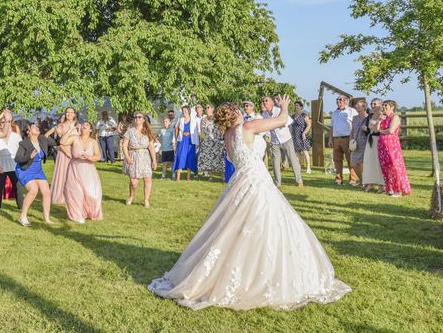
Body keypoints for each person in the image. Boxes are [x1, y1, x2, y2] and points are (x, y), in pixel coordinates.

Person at [148, 95, 351, 310]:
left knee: (235, 229)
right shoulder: (248, 127)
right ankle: (258, 274)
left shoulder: (227, 136)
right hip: (256, 182)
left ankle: (235, 269)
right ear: (235, 112)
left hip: (240, 182)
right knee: (266, 226)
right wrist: (283, 106)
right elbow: (282, 121)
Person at [14, 122, 57, 226]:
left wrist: (54, 131)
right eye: (33, 127)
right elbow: (17, 159)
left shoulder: (42, 139)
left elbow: (55, 143)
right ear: (29, 132)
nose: (36, 128)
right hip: (25, 170)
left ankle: (47, 218)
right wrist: (29, 156)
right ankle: (22, 216)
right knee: (33, 190)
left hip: (38, 171)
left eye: (36, 127)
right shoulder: (24, 143)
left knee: (47, 192)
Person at [60, 121, 103, 223]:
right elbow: (62, 142)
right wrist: (71, 129)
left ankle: (91, 212)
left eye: (87, 125)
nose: (84, 126)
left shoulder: (93, 142)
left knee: (92, 193)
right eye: (83, 125)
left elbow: (98, 156)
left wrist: (89, 157)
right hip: (75, 168)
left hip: (88, 169)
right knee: (75, 192)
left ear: (90, 130)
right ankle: (76, 215)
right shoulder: (75, 138)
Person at [261, 96, 303, 187]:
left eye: (266, 100)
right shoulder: (264, 114)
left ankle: (299, 181)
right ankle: (277, 183)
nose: (264, 102)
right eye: (263, 101)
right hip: (274, 141)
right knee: (275, 163)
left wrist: (280, 124)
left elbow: (289, 121)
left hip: (286, 139)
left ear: (272, 102)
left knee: (293, 160)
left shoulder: (279, 110)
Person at [123, 112, 157, 207]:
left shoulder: (148, 131)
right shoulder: (130, 131)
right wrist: (127, 157)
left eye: (139, 117)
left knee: (147, 179)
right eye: (135, 117)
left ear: (143, 119)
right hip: (133, 157)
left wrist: (154, 160)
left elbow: (151, 147)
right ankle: (131, 195)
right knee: (134, 182)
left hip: (145, 157)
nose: (136, 118)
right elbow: (124, 145)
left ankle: (146, 200)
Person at [378, 100, 411, 197]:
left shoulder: (395, 117)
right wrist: (379, 122)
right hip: (382, 145)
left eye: (386, 105)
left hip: (392, 145)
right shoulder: (383, 117)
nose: (384, 107)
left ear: (392, 107)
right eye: (383, 105)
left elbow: (391, 130)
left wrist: (381, 130)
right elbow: (375, 129)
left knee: (394, 166)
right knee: (385, 167)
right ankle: (390, 189)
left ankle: (399, 190)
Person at [0, 119, 24, 211]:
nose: (2, 125)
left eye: (4, 123)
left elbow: (22, 151)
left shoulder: (16, 136)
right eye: (0, 123)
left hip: (14, 166)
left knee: (18, 187)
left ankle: (22, 207)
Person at [48, 107, 80, 204]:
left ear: (74, 114)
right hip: (65, 152)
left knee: (75, 174)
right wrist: (67, 153)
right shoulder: (61, 126)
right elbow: (60, 143)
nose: (69, 114)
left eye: (71, 112)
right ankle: (61, 196)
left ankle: (74, 195)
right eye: (67, 112)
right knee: (64, 173)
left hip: (76, 152)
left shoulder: (78, 125)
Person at [328, 95, 358, 186]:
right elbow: (332, 127)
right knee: (337, 160)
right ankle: (338, 179)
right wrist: (330, 139)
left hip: (348, 138)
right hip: (336, 139)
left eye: (340, 100)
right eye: (337, 100)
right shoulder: (334, 113)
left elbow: (356, 125)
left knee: (350, 160)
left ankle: (353, 179)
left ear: (346, 101)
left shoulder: (351, 111)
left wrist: (353, 139)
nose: (338, 101)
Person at [361, 98, 385, 192]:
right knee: (368, 161)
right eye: (372, 104)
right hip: (370, 140)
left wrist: (376, 123)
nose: (373, 105)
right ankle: (369, 183)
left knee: (377, 162)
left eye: (375, 104)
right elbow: (368, 130)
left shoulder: (382, 116)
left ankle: (381, 185)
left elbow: (382, 129)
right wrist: (365, 129)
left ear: (380, 105)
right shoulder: (370, 115)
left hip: (379, 140)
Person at [197, 104, 224, 179]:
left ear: (212, 109)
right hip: (206, 141)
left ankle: (223, 175)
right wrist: (201, 140)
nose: (207, 109)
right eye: (206, 107)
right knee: (208, 159)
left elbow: (221, 128)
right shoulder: (203, 119)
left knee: (219, 158)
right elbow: (201, 131)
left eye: (208, 107)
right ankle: (211, 176)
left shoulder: (216, 118)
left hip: (216, 140)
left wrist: (221, 139)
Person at [173, 106, 198, 181]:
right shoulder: (180, 119)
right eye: (183, 110)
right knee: (180, 156)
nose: (184, 111)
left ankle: (188, 177)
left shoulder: (193, 120)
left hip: (190, 141)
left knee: (189, 157)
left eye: (185, 110)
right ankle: (178, 177)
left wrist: (190, 134)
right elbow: (176, 129)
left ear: (189, 111)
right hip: (182, 140)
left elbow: (196, 131)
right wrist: (174, 140)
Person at [349, 99, 368, 189]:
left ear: (364, 107)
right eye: (356, 105)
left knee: (362, 163)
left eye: (358, 105)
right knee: (353, 163)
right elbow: (352, 131)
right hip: (355, 143)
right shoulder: (354, 118)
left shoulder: (368, 117)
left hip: (365, 142)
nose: (356, 106)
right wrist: (350, 141)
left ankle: (365, 183)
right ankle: (362, 180)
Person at [290, 101, 312, 174]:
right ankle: (298, 167)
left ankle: (308, 167)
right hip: (295, 136)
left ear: (301, 107)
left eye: (297, 105)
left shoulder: (304, 115)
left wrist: (304, 133)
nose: (296, 107)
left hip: (303, 136)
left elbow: (309, 125)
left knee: (305, 151)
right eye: (295, 105)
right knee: (297, 152)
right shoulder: (292, 116)